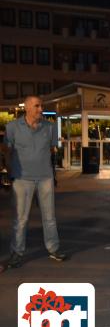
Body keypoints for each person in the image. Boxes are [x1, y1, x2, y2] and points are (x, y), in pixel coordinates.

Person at [5, 95, 68, 269]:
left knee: (49, 217)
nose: (41, 109)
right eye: (37, 106)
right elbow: (8, 152)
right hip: (21, 178)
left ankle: (53, 248)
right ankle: (17, 253)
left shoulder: (50, 127)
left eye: (41, 106)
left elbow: (51, 151)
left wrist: (52, 174)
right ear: (27, 108)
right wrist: (10, 175)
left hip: (45, 178)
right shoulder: (12, 127)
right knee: (21, 219)